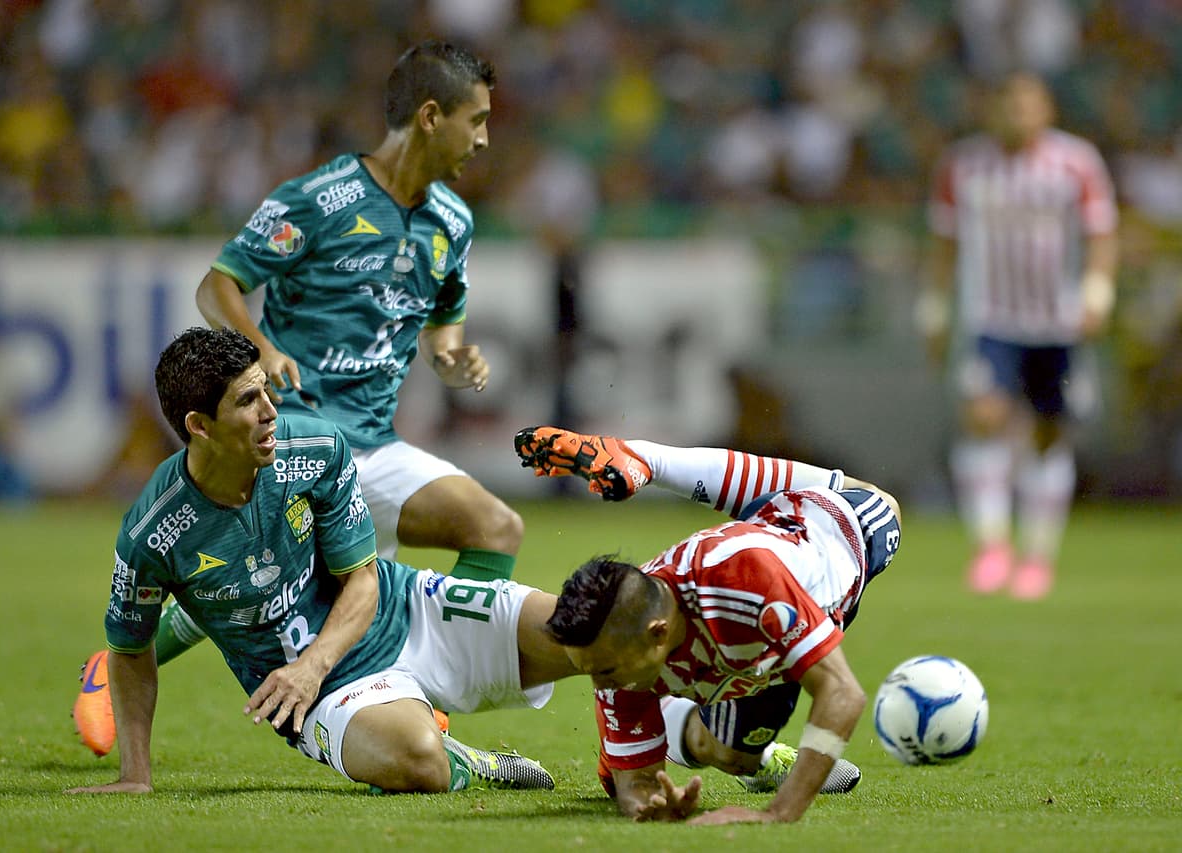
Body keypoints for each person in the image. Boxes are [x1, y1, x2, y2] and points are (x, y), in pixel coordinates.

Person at [75, 40, 523, 756]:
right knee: (272, 580)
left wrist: (452, 353)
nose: (485, 138)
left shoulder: (454, 223)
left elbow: (444, 315)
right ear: (431, 116)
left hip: (373, 443)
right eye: (476, 120)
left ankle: (409, 698)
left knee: (490, 531)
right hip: (294, 442)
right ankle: (122, 660)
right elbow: (216, 285)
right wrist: (260, 347)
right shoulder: (319, 200)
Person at [66, 327, 560, 797]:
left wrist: (311, 664)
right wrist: (136, 775)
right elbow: (131, 650)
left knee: (580, 626)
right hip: (317, 693)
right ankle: (467, 758)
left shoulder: (314, 448)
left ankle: (620, 763)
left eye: (265, 391)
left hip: (397, 608)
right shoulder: (151, 531)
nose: (270, 412)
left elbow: (362, 579)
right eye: (247, 400)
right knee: (419, 760)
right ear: (199, 426)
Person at [515, 425, 902, 824]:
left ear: (658, 633)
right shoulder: (620, 637)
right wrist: (650, 803)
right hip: (740, 629)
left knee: (884, 504)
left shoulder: (748, 586)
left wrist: (778, 814)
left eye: (606, 672)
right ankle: (748, 753)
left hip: (821, 534)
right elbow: (637, 789)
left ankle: (651, 460)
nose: (598, 686)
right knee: (732, 755)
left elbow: (842, 693)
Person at [919, 71, 1118, 600]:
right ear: (991, 110)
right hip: (991, 318)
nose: (1018, 114)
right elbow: (943, 243)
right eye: (1008, 104)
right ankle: (990, 545)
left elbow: (1102, 233)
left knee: (1049, 434)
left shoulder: (1076, 163)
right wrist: (935, 311)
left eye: (1028, 105)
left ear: (1047, 110)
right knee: (983, 417)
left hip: (1058, 321)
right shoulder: (963, 166)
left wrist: (1097, 292)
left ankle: (1036, 555)